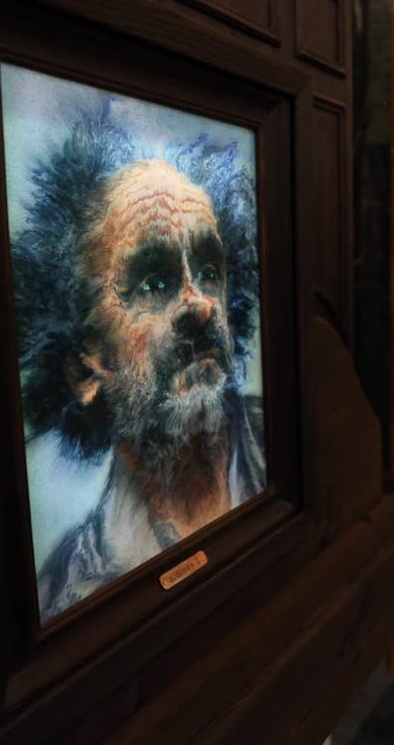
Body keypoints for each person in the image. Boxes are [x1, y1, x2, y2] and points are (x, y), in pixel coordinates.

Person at [14, 153, 266, 621]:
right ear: (85, 370)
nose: (201, 304)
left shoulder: (287, 447)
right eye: (153, 283)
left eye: (210, 272)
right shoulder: (70, 595)